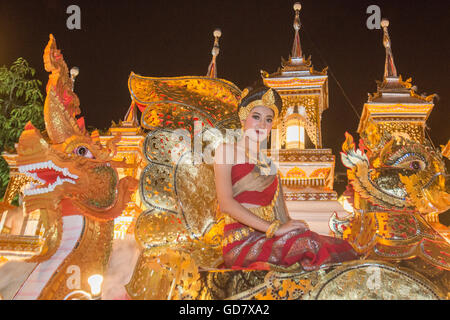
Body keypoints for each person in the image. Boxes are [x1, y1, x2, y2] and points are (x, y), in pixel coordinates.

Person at [214, 85, 359, 271]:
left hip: (268, 238)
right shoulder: (225, 150)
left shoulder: (270, 166)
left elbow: (280, 215)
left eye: (268, 120)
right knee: (309, 244)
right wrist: (273, 229)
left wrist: (290, 227)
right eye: (256, 117)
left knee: (336, 245)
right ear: (243, 117)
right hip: (240, 242)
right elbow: (225, 203)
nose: (262, 124)